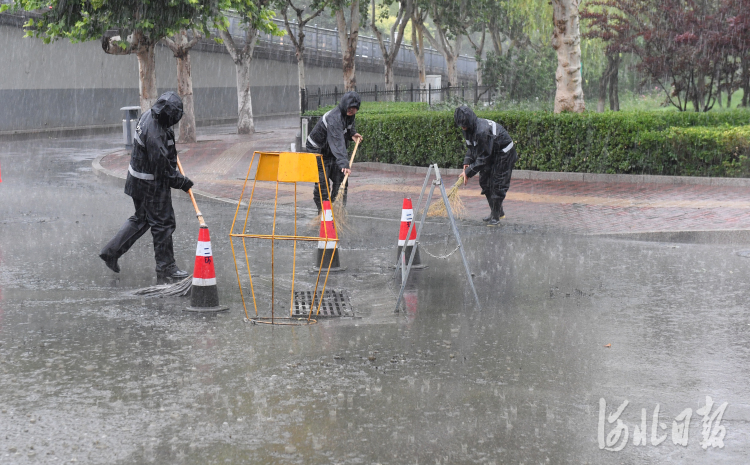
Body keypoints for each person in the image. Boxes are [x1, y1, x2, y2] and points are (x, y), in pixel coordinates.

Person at [99, 91, 194, 280]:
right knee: (163, 224)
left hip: (138, 181)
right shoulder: (155, 133)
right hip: (151, 184)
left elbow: (162, 151)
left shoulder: (149, 115)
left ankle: (111, 252)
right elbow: (163, 169)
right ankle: (166, 268)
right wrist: (182, 181)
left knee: (142, 219)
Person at [455, 105, 518, 225]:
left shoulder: (482, 131)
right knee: (485, 182)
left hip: (503, 154)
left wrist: (468, 173)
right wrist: (467, 162)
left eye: (464, 125)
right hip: (491, 153)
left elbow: (483, 157)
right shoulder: (467, 129)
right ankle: (498, 211)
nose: (463, 127)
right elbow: (472, 147)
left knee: (497, 184)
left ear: (470, 121)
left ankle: (495, 217)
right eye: (461, 126)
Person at [305, 91, 363, 212]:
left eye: (354, 108)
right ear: (344, 104)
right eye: (349, 107)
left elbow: (348, 127)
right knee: (323, 183)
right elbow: (337, 141)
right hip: (317, 150)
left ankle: (337, 210)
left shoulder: (349, 115)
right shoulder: (334, 118)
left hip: (331, 150)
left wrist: (352, 134)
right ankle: (323, 212)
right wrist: (344, 163)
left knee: (341, 180)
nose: (351, 110)